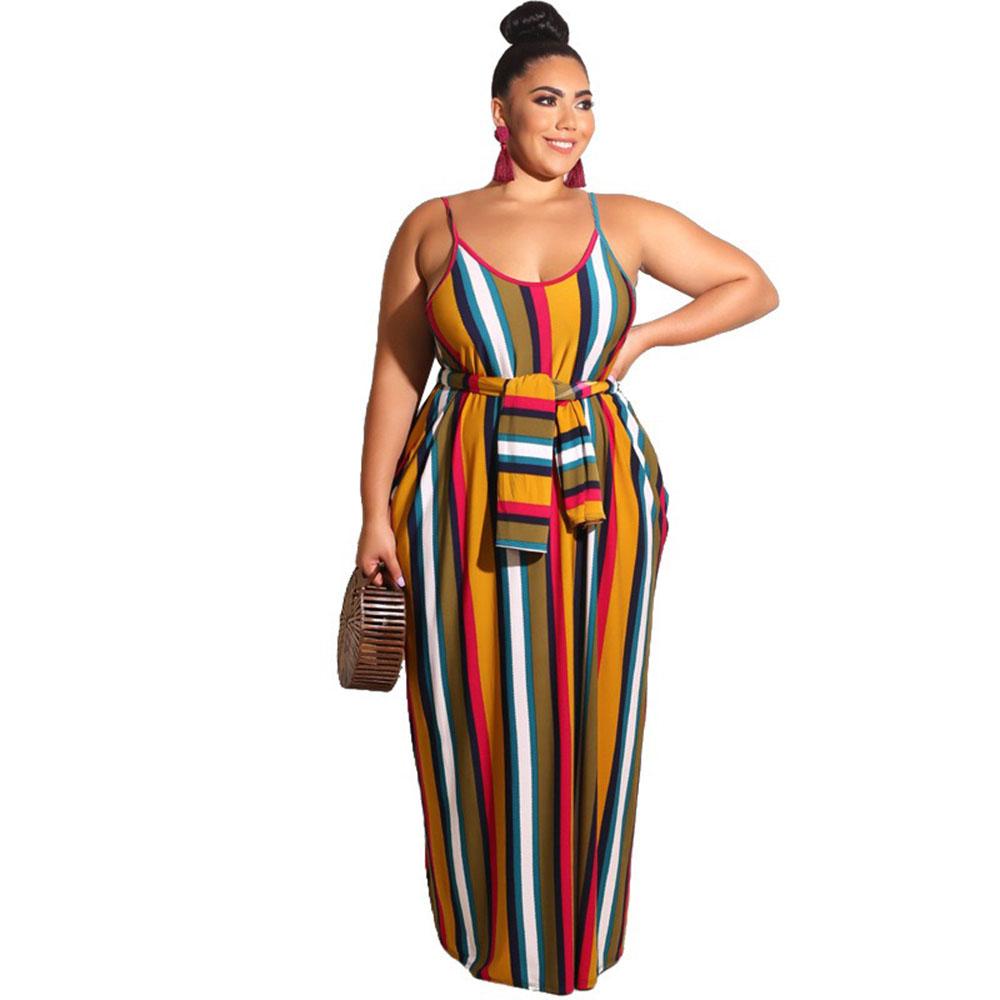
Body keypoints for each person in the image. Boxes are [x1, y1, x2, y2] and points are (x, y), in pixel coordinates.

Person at [356, 2, 778, 993]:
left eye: (584, 102)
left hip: (597, 492)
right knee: (467, 702)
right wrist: (373, 514)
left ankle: (576, 935)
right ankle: (483, 929)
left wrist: (644, 339)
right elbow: (394, 376)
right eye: (548, 99)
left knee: (596, 702)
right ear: (498, 112)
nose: (570, 120)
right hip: (459, 490)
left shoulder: (623, 219)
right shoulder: (432, 224)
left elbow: (751, 285)